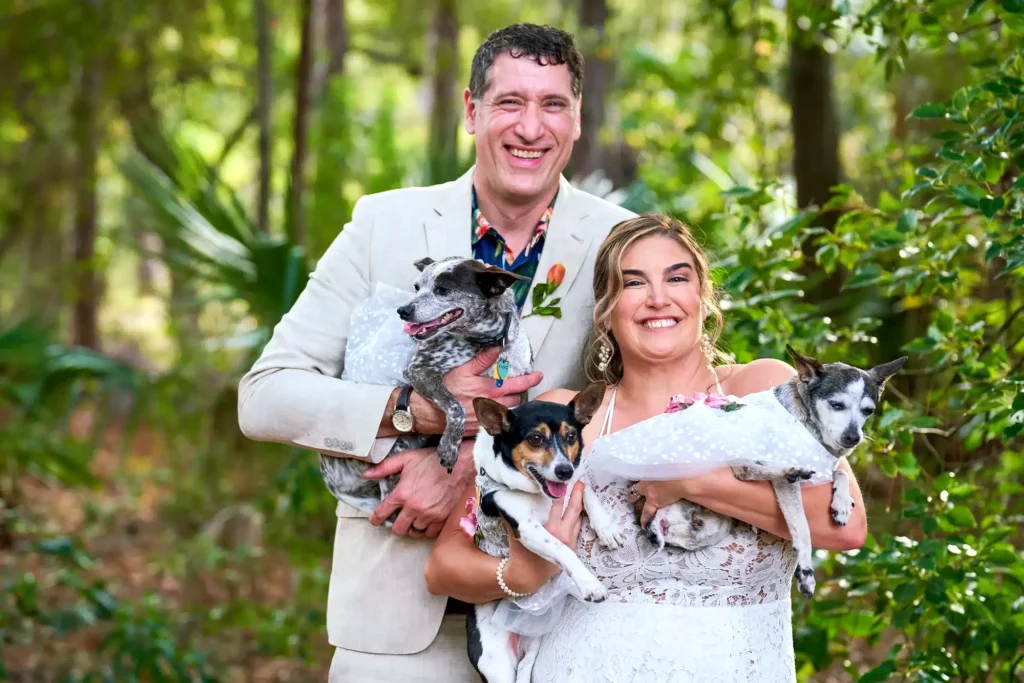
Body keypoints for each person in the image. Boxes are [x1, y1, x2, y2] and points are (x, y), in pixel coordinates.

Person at [237, 23, 635, 683]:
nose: (530, 127)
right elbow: (265, 394)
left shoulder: (619, 241)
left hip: (563, 625)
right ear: (471, 111)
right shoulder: (383, 225)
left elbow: (643, 411)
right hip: (399, 622)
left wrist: (464, 477)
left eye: (552, 104)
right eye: (509, 102)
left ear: (577, 119)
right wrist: (411, 412)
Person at [425, 214, 868, 681]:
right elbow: (442, 567)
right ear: (607, 309)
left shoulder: (766, 389)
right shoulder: (559, 420)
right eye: (633, 283)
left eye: (677, 277)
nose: (659, 298)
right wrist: (520, 575)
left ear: (702, 297)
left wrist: (690, 481)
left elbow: (846, 526)